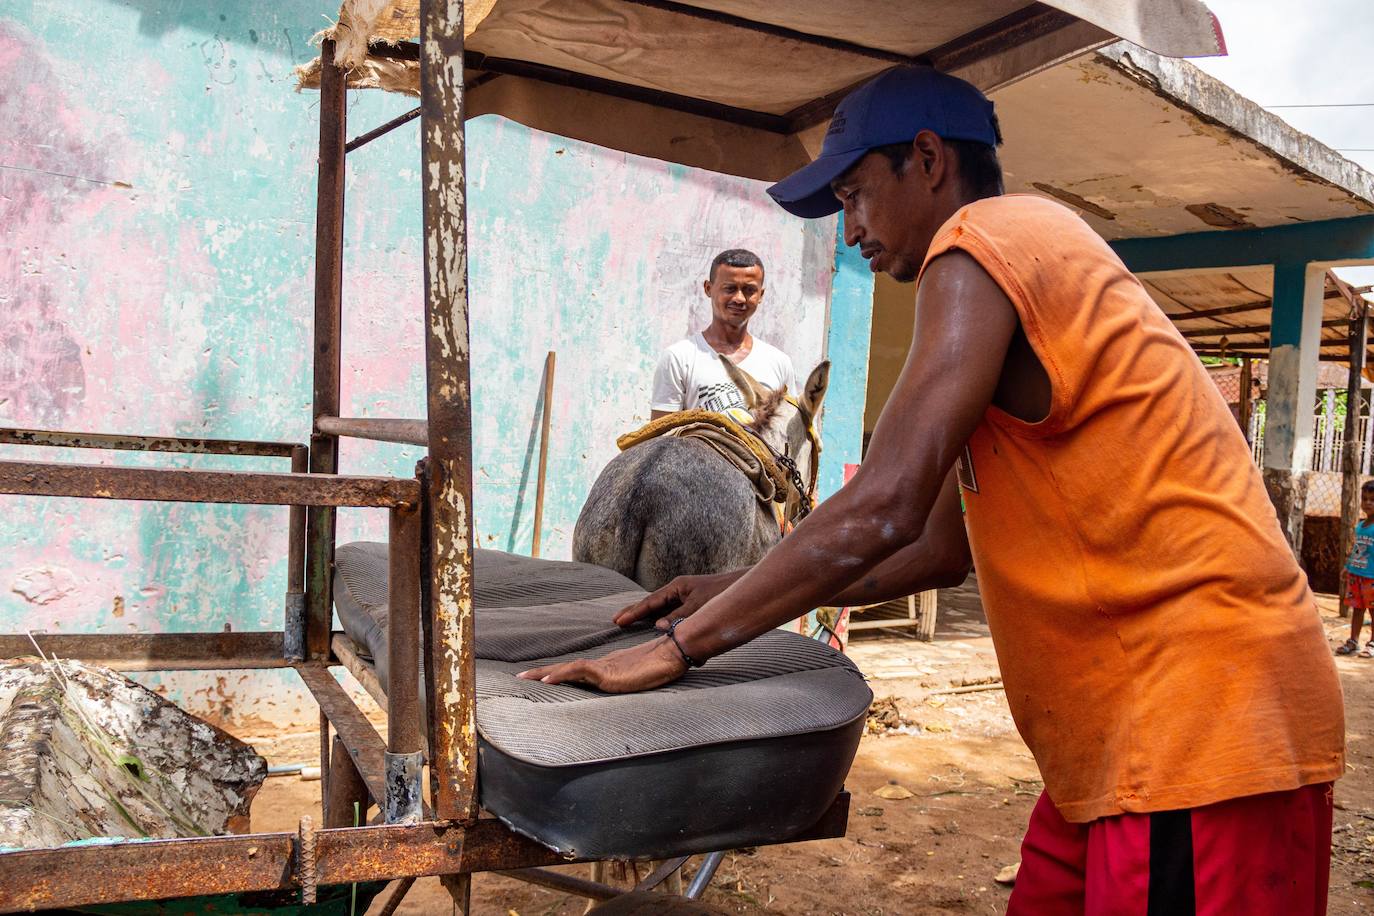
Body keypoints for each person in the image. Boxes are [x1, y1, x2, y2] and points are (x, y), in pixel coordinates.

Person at [521, 67, 1345, 913]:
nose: (850, 232)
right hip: (1115, 745)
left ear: (926, 159)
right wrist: (722, 588)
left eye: (856, 196)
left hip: (1201, 731)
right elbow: (936, 549)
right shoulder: (1013, 278)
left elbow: (883, 506)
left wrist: (678, 646)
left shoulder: (985, 243)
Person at [649, 249, 797, 418]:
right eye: (730, 288)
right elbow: (661, 439)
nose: (739, 298)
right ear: (708, 288)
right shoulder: (679, 358)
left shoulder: (779, 362)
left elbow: (789, 434)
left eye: (749, 290)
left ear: (760, 295)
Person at [1337, 479, 1374, 656]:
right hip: (1357, 575)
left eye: (1372, 500)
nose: (1368, 503)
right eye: (1365, 499)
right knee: (1357, 609)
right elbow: (1357, 550)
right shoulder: (1361, 526)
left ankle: (1373, 643)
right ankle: (1353, 640)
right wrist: (1347, 566)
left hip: (1371, 577)